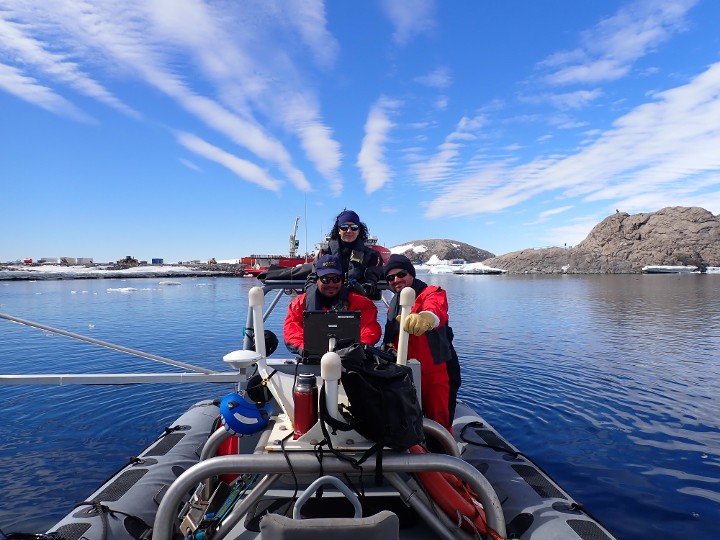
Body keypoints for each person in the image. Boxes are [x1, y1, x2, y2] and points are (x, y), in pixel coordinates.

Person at [382, 254, 461, 434]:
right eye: (390, 277)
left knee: (439, 422)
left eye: (401, 274)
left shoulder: (432, 292)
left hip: (436, 373)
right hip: (406, 372)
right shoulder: (394, 304)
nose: (396, 280)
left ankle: (444, 456)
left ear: (411, 274)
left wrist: (426, 318)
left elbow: (436, 308)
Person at [285, 254, 382, 356]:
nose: (331, 284)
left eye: (336, 279)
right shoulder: (299, 304)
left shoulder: (362, 303)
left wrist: (357, 348)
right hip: (313, 358)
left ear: (342, 280)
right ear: (317, 280)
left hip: (349, 360)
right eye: (325, 280)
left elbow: (370, 328)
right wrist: (306, 348)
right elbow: (291, 329)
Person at [305, 209, 383, 298]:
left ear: (359, 230)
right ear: (339, 230)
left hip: (359, 303)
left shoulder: (372, 256)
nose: (349, 231)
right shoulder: (325, 253)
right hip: (328, 302)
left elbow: (372, 280)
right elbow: (313, 278)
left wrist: (363, 289)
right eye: (344, 227)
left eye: (354, 227)